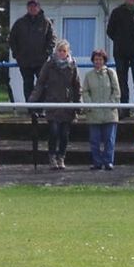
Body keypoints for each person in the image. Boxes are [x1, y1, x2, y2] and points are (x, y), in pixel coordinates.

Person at [29, 40, 81, 170]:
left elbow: (77, 86)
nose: (61, 53)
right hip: (52, 103)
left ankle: (61, 157)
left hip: (67, 105)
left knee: (64, 134)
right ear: (56, 51)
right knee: (54, 131)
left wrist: (78, 104)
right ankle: (52, 156)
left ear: (68, 52)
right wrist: (32, 100)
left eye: (64, 51)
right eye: (59, 50)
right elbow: (40, 83)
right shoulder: (49, 65)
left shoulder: (72, 66)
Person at [8, 0, 56, 114]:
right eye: (30, 6)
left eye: (35, 6)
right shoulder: (20, 23)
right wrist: (16, 54)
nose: (32, 8)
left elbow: (52, 39)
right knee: (28, 85)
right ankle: (31, 110)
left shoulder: (46, 22)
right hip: (24, 61)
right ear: (27, 8)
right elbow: (12, 39)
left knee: (43, 84)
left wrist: (47, 52)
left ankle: (40, 109)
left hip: (41, 61)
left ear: (39, 7)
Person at [81, 49, 119, 170]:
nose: (98, 62)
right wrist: (90, 105)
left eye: (100, 59)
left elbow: (116, 91)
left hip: (109, 113)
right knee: (94, 140)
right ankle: (97, 162)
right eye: (96, 59)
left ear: (104, 61)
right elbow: (85, 91)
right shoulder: (88, 75)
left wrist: (111, 104)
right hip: (94, 114)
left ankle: (108, 161)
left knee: (109, 140)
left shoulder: (111, 73)